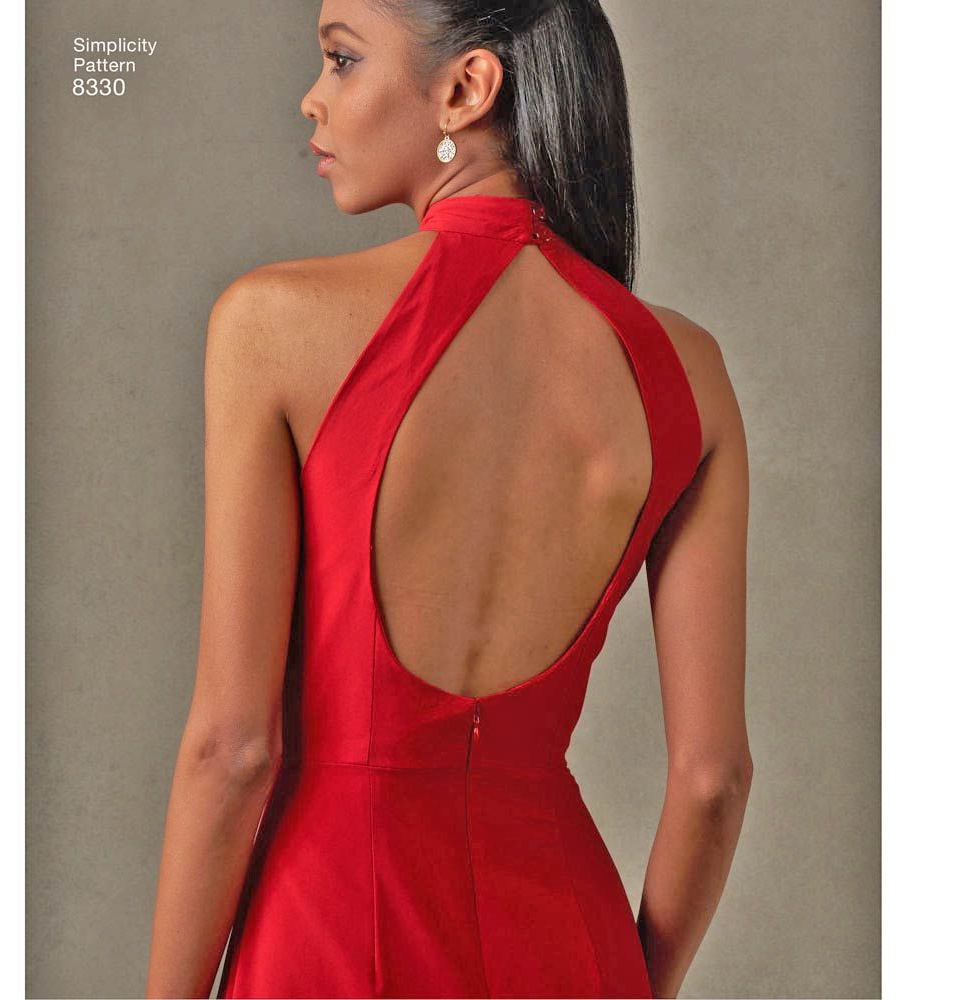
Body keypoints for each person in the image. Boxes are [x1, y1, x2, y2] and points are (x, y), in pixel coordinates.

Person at [145, 1, 752, 997]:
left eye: (342, 59)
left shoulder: (273, 324)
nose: (312, 99)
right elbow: (712, 779)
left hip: (332, 936)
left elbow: (233, 751)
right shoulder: (689, 373)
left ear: (466, 89)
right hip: (569, 942)